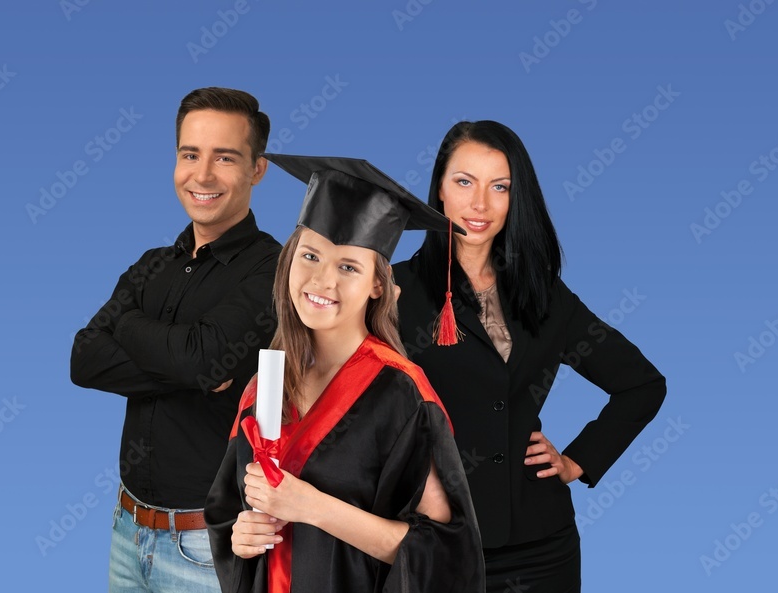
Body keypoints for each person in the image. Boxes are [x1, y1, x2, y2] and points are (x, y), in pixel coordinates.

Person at [392, 120, 667, 592]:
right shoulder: (392, 291)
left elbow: (641, 384)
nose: (480, 204)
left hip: (540, 545)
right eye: (464, 182)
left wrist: (577, 460)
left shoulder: (543, 295)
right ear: (438, 187)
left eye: (500, 187)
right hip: (430, 538)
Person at [204, 155, 485, 593]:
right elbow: (229, 513)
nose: (322, 280)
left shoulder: (400, 392)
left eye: (348, 266)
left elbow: (444, 552)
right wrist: (241, 538)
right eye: (310, 255)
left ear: (378, 284)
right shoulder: (265, 386)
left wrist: (313, 507)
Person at [69, 87, 281, 593]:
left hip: (207, 548)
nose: (202, 175)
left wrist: (127, 324)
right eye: (190, 154)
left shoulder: (275, 270)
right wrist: (187, 364)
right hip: (127, 530)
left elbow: (202, 362)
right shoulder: (153, 263)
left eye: (224, 157)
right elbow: (84, 359)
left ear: (257, 169)